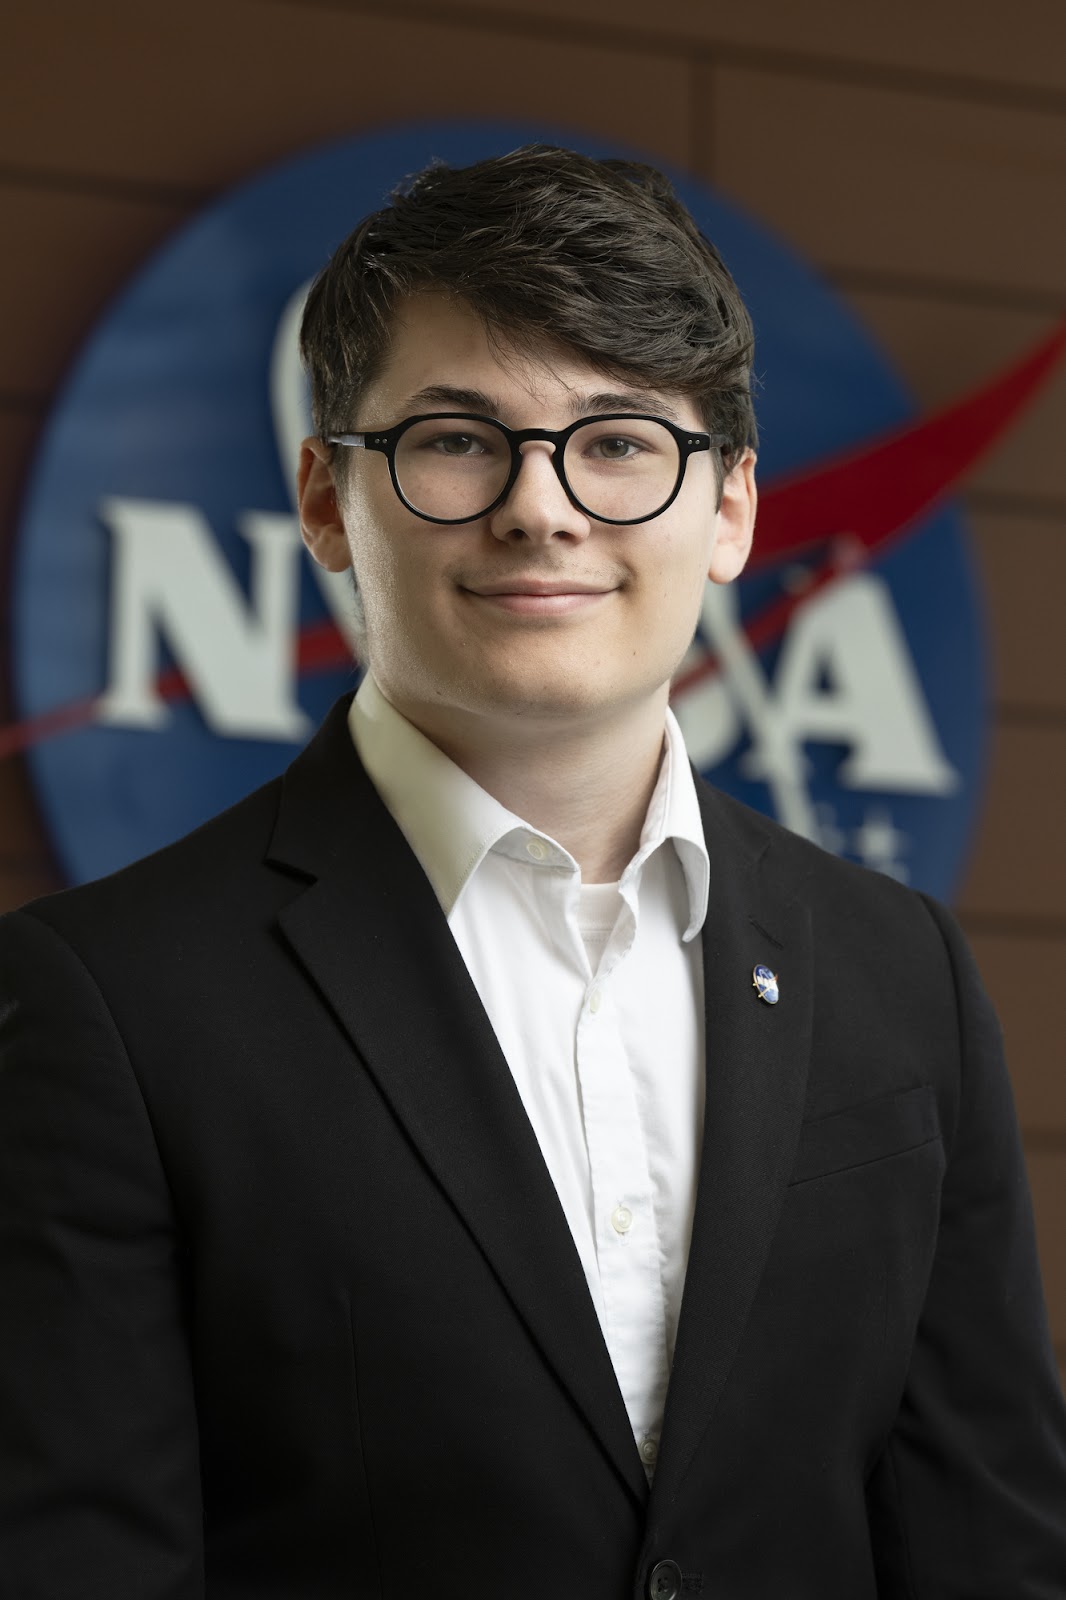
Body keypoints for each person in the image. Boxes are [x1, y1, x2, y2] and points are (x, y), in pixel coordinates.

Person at [1, 145, 1064, 1600]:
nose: (541, 508)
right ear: (325, 497)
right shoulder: (111, 1003)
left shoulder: (901, 974)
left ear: (733, 509)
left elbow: (989, 1545)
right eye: (455, 439)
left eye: (620, 441)